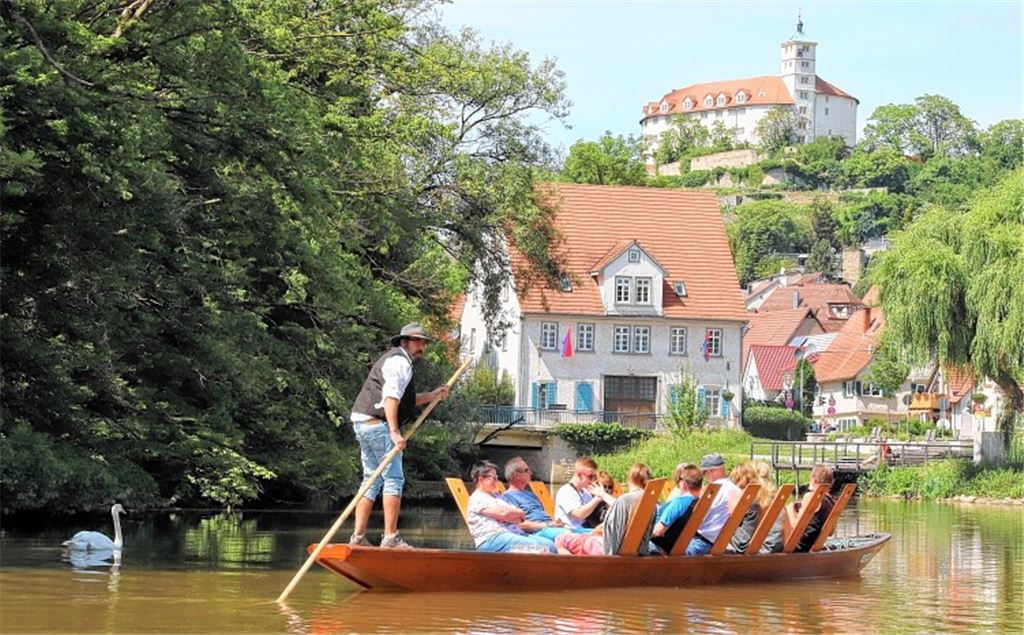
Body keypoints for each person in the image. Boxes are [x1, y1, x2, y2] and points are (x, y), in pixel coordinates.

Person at [348, 323, 449, 549]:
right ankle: (390, 537)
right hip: (377, 424)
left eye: (423, 342)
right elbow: (391, 398)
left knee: (370, 480)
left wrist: (433, 396)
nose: (421, 346)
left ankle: (358, 537)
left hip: (363, 421)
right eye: (417, 341)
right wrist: (394, 432)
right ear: (404, 342)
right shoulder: (399, 362)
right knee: (394, 479)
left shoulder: (398, 362)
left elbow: (407, 400)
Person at [555, 463, 656, 556]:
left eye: (609, 487)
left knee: (560, 539)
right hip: (637, 549)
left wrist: (601, 496)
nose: (607, 490)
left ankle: (575, 570)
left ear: (629, 480)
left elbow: (611, 535)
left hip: (608, 551)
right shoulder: (650, 501)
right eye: (604, 487)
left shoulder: (625, 500)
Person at [466, 461, 556, 554]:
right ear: (481, 479)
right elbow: (504, 513)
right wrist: (508, 514)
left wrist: (510, 514)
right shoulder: (477, 498)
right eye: (493, 478)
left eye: (497, 477)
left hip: (513, 535)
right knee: (540, 548)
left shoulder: (498, 496)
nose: (496, 481)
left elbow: (520, 516)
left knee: (550, 545)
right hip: (493, 539)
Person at [500, 457, 576, 542]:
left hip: (552, 528)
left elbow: (543, 514)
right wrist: (548, 525)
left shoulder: (530, 495)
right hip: (537, 533)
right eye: (527, 470)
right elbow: (520, 525)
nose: (531, 473)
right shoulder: (508, 497)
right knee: (571, 537)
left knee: (589, 533)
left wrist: (555, 523)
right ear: (516, 474)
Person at [683, 453, 741, 556]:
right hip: (720, 543)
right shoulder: (736, 490)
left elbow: (698, 518)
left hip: (702, 542)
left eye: (704, 473)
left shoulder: (714, 490)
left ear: (710, 471)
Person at [651, 463, 703, 553]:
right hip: (679, 546)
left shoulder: (679, 503)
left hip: (663, 548)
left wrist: (642, 534)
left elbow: (658, 531)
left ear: (684, 484)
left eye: (679, 480)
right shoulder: (700, 503)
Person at [784, 464, 836, 552]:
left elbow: (796, 527)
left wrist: (789, 509)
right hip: (813, 544)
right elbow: (830, 532)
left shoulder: (811, 497)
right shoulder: (830, 500)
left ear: (814, 479)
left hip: (799, 546)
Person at [727, 462, 777, 553]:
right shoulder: (768, 498)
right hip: (766, 546)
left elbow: (741, 544)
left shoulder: (751, 504)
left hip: (750, 551)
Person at [554, 457, 617, 529]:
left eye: (594, 476)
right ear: (579, 475)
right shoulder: (566, 491)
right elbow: (578, 515)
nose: (593, 479)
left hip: (586, 532)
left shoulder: (586, 493)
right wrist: (598, 497)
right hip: (570, 532)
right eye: (590, 476)